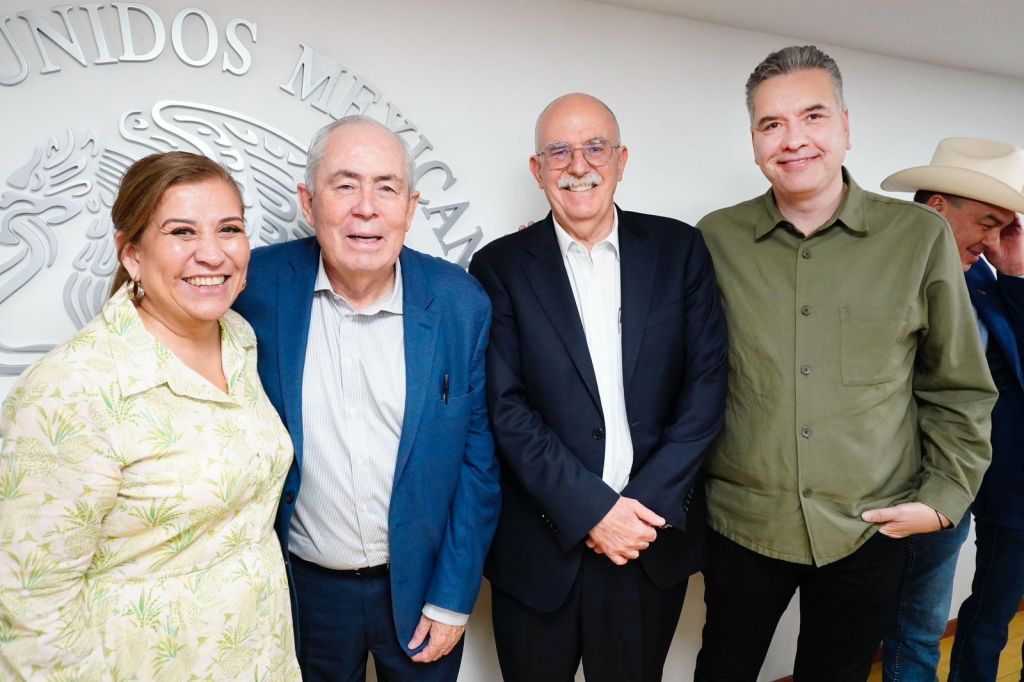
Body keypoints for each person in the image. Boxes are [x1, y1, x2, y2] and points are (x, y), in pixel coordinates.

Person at [693, 46, 997, 681]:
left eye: (813, 116)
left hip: (868, 532)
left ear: (846, 126)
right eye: (771, 124)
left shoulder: (919, 237)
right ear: (753, 140)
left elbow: (960, 386)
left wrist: (942, 500)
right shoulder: (713, 239)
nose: (793, 139)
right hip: (743, 527)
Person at [0, 151, 300, 680]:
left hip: (259, 657)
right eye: (182, 232)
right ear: (132, 253)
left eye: (229, 228)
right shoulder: (71, 389)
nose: (212, 253)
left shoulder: (239, 339)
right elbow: (29, 604)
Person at [469, 92, 728, 682]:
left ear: (621, 159)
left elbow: (706, 388)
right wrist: (592, 512)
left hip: (646, 542)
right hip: (540, 550)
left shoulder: (680, 250)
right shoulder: (498, 267)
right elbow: (505, 409)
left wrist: (640, 511)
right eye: (558, 151)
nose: (578, 165)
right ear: (538, 170)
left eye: (594, 147)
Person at [232, 115, 499, 682]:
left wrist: (453, 596)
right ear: (309, 201)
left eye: (386, 188)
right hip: (301, 589)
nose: (367, 208)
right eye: (345, 184)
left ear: (410, 206)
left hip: (422, 590)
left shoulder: (460, 304)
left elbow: (479, 467)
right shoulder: (254, 288)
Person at [879, 137, 1024, 681]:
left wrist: (1014, 277)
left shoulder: (989, 280)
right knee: (896, 628)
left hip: (979, 482)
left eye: (1003, 227)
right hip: (902, 481)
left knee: (955, 620)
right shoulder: (877, 266)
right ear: (937, 208)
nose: (992, 241)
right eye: (988, 223)